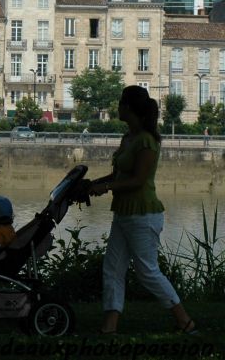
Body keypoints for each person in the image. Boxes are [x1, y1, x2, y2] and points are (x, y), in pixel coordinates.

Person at [89, 85, 197, 335]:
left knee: (147, 270)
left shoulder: (147, 141)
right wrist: (95, 184)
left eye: (119, 104)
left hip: (143, 213)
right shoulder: (128, 139)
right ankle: (110, 326)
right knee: (113, 268)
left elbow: (138, 180)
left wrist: (105, 187)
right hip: (124, 211)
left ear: (128, 108)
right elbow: (119, 174)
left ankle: (185, 321)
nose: (117, 108)